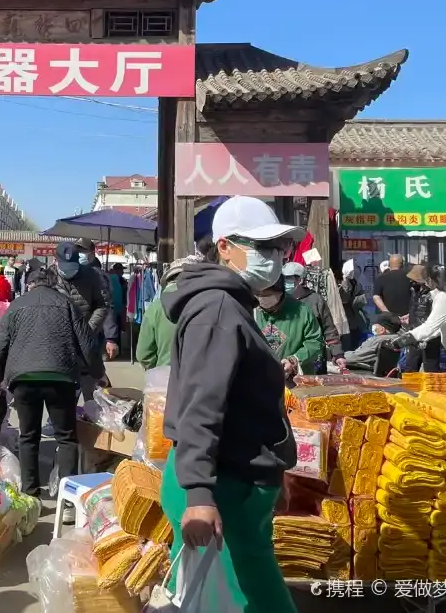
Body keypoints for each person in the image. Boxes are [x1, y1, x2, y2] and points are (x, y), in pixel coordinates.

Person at [161, 195, 303, 613]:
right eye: (262, 248)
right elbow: (202, 406)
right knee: (237, 595)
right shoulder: (218, 309)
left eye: (279, 248)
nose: (274, 257)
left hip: (239, 479)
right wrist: (200, 495)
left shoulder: (234, 304)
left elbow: (250, 400)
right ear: (224, 246)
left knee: (240, 592)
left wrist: (277, 468)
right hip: (221, 484)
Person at [0, 266, 106, 507]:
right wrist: (99, 374)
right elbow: (87, 342)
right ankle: (67, 501)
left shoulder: (17, 306)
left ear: (29, 284)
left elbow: (0, 345)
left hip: (23, 380)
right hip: (60, 378)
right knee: (66, 439)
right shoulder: (65, 303)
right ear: (52, 283)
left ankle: (31, 496)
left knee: (29, 436)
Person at [54, 242, 111, 402]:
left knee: (92, 396)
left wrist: (88, 330)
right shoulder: (49, 277)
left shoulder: (92, 275)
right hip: (61, 345)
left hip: (89, 343)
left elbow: (103, 304)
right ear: (56, 261)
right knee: (63, 399)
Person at [253, 277, 325, 380]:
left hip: (295, 381)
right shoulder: (252, 310)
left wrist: (294, 360)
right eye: (258, 295)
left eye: (267, 295)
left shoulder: (301, 311)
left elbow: (315, 341)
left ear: (280, 292)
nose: (262, 299)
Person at [137, 255, 201, 370]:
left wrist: (158, 369)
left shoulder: (155, 307)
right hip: (200, 378)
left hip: (166, 378)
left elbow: (143, 355)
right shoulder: (210, 302)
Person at [282, 262, 344, 370]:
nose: (285, 282)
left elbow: (329, 328)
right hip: (287, 359)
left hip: (313, 358)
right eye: (283, 278)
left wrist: (338, 354)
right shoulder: (280, 301)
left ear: (300, 280)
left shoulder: (315, 300)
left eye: (289, 279)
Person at [400, 264, 442, 372]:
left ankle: (430, 388)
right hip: (414, 332)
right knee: (410, 365)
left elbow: (434, 315)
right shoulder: (415, 291)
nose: (411, 282)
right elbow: (415, 308)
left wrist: (427, 336)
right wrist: (410, 317)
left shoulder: (433, 294)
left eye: (414, 280)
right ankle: (410, 387)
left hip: (428, 335)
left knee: (430, 367)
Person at [338, 259, 370, 348]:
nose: (355, 270)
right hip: (345, 319)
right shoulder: (340, 283)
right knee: (347, 344)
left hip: (355, 318)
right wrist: (345, 282)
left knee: (355, 342)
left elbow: (362, 295)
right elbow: (344, 299)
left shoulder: (355, 282)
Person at [373, 255, 412, 323]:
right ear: (402, 264)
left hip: (389, 320)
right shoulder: (410, 277)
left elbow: (376, 297)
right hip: (407, 318)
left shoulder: (381, 278)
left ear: (390, 265)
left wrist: (387, 313)